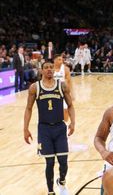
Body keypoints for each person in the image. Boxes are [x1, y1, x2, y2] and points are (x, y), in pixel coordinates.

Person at [23, 59, 75, 195]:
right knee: (50, 162)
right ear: (41, 70)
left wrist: (73, 123)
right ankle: (51, 191)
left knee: (63, 161)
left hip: (60, 128)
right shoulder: (35, 87)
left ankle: (62, 181)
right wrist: (25, 128)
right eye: (46, 67)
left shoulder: (62, 85)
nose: (49, 69)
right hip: (44, 130)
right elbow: (28, 108)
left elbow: (70, 105)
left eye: (51, 67)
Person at [53, 54, 74, 122]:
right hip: (52, 92)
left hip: (63, 92)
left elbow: (69, 82)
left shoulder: (65, 69)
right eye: (59, 59)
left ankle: (65, 125)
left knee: (65, 109)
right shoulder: (50, 68)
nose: (61, 61)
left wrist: (72, 94)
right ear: (54, 60)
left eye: (62, 60)